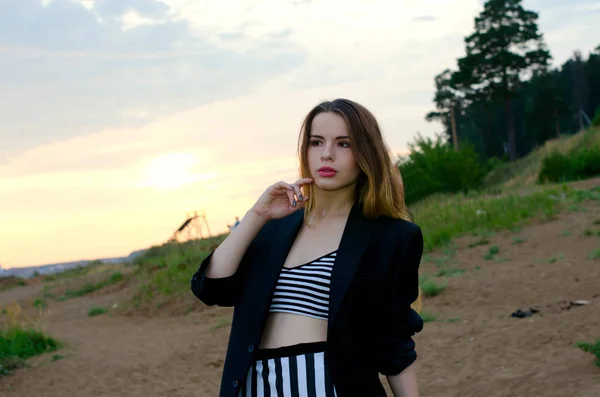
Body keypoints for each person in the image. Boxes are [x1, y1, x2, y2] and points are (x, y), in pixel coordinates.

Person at [191, 98, 424, 397]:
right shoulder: (274, 227)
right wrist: (256, 216)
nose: (327, 154)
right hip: (255, 387)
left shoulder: (391, 236)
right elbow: (211, 288)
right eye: (316, 142)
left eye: (344, 144)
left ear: (366, 153)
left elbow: (394, 341)